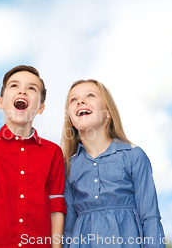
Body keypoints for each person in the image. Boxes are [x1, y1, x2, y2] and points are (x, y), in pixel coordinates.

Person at [0, 65, 66, 248]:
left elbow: (56, 208)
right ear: (0, 102)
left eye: (32, 88)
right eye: (14, 86)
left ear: (40, 108)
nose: (22, 90)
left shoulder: (53, 153)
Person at [61, 79, 165, 248]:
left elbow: (150, 217)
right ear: (72, 120)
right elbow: (68, 229)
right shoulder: (68, 168)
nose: (80, 101)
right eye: (73, 99)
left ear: (107, 113)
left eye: (90, 95)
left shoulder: (133, 156)